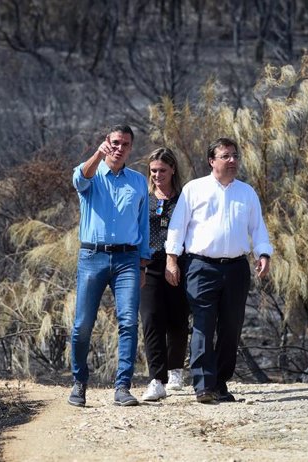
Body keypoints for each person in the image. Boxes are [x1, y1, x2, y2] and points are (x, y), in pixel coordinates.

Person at [164, 137, 272, 404]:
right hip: (201, 266)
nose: (233, 160)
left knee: (231, 327)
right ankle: (203, 385)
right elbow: (177, 227)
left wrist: (264, 253)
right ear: (212, 161)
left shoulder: (246, 192)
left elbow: (257, 228)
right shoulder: (194, 189)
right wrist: (171, 260)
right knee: (203, 324)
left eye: (235, 155)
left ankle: (220, 383)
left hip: (236, 268)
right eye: (226, 156)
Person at [68, 125, 151, 407]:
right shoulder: (91, 173)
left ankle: (123, 387)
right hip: (93, 257)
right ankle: (79, 382)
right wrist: (96, 155)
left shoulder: (139, 181)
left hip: (127, 259)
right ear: (106, 143)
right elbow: (81, 179)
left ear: (131, 148)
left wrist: (142, 264)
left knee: (128, 322)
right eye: (115, 142)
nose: (119, 148)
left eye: (125, 144)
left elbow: (143, 225)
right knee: (83, 325)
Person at [139, 147, 191, 402]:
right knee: (151, 320)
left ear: (173, 170)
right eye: (153, 171)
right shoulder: (144, 197)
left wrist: (179, 261)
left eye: (162, 170)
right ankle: (156, 379)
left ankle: (176, 370)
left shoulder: (183, 198)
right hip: (149, 265)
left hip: (179, 263)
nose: (157, 175)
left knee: (178, 319)